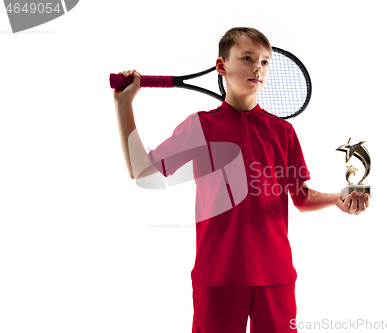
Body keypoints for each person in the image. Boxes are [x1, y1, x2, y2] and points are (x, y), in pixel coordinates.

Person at [114, 27, 369, 333]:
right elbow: (140, 169)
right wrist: (123, 105)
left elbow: (300, 198)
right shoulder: (201, 127)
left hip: (275, 277)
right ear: (221, 66)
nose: (257, 68)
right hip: (218, 275)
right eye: (247, 58)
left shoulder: (283, 133)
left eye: (264, 62)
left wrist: (337, 200)